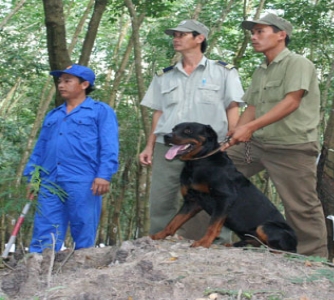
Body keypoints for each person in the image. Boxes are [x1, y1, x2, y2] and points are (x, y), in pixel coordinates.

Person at [221, 13, 328, 258]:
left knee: (301, 206)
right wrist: (234, 136)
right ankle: (197, 241)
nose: (254, 37)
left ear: (282, 35)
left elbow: (291, 102)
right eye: (253, 32)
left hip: (292, 146)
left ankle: (314, 259)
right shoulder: (261, 70)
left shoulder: (298, 64)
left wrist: (249, 128)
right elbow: (253, 108)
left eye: (261, 31)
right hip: (256, 145)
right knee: (214, 175)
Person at [139, 19, 244, 242]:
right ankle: (160, 240)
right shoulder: (164, 75)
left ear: (199, 38)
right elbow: (158, 112)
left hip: (207, 150)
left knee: (215, 194)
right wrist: (149, 145)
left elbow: (232, 107)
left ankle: (217, 241)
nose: (176, 39)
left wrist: (231, 139)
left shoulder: (223, 72)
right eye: (174, 35)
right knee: (162, 197)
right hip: (167, 145)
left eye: (182, 35)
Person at [24, 64, 119, 253]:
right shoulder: (54, 114)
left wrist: (104, 175)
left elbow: (109, 145)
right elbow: (40, 149)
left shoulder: (100, 111)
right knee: (45, 225)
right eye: (60, 81)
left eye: (67, 81)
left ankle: (82, 273)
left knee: (83, 224)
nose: (61, 85)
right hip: (49, 179)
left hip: (84, 179)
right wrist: (33, 178)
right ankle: (39, 269)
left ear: (84, 84)